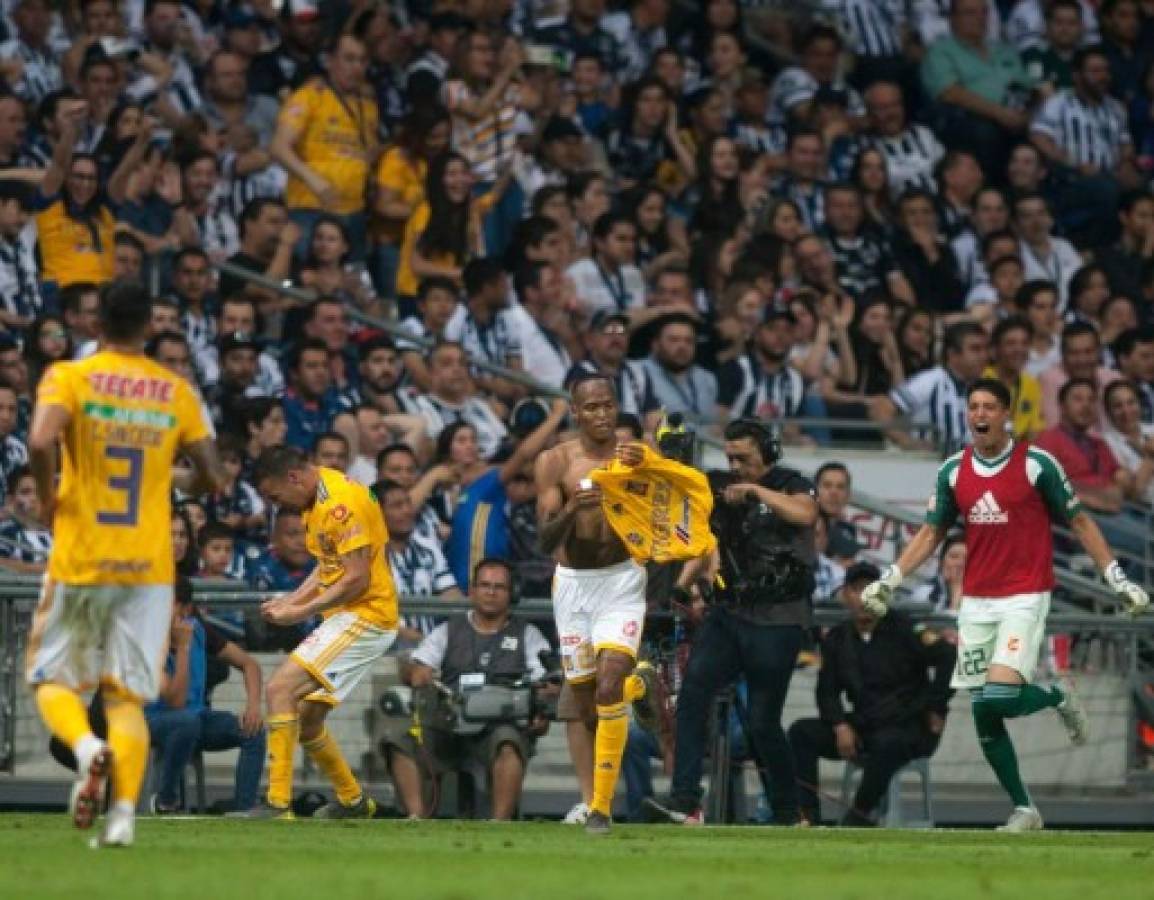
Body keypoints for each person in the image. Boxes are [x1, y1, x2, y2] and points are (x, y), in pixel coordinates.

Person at [861, 377, 1149, 831]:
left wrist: (1117, 578)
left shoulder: (1037, 465)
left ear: (1005, 415)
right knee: (984, 710)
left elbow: (1080, 521)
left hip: (1025, 593)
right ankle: (1024, 809)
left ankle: (1056, 694)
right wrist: (891, 577)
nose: (979, 414)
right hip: (977, 600)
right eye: (973, 406)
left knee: (999, 696)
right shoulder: (954, 470)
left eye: (988, 407)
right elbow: (932, 532)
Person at [24, 280, 223, 847]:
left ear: (96, 324)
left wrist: (45, 496)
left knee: (52, 680)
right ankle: (123, 818)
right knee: (127, 698)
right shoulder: (174, 390)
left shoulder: (69, 376)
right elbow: (211, 474)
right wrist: (174, 475)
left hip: (83, 556)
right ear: (149, 329)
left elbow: (40, 441)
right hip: (149, 568)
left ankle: (88, 750)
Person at [534, 374, 665, 833]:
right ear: (576, 412)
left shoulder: (636, 457)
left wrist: (654, 465)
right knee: (587, 697)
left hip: (622, 579)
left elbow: (671, 505)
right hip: (573, 585)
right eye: (591, 407)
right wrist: (572, 509)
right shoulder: (554, 462)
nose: (602, 415)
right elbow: (543, 538)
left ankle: (601, 809)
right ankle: (639, 687)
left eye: (608, 405)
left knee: (608, 683)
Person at [246, 445, 400, 819]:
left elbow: (357, 577)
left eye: (275, 495)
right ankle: (353, 801)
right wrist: (291, 599)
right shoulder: (317, 499)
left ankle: (277, 802)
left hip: (366, 614)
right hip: (350, 615)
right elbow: (329, 566)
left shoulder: (341, 504)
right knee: (308, 718)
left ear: (294, 477)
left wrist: (299, 611)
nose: (275, 504)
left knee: (279, 689)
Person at [789, 561, 956, 826]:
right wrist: (840, 724)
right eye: (856, 589)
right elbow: (827, 691)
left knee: (888, 744)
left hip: (909, 725)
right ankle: (808, 815)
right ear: (846, 595)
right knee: (801, 733)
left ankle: (859, 815)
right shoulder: (837, 639)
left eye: (871, 589)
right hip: (864, 724)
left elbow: (949, 656)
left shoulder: (905, 629)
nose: (863, 596)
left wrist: (937, 706)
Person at [384, 558, 552, 819]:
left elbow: (546, 682)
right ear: (472, 591)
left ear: (512, 594)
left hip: (498, 725)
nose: (491, 592)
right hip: (448, 722)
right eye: (484, 585)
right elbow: (414, 666)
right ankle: (415, 818)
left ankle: (501, 823)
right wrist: (414, 672)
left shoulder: (528, 635)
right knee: (398, 737)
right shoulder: (447, 631)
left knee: (508, 742)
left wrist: (541, 709)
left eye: (499, 587)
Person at [145, 577, 266, 815]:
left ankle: (245, 810)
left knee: (253, 732)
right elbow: (174, 700)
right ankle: (166, 800)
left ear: (185, 609)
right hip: (152, 719)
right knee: (185, 722)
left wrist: (253, 707)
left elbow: (250, 665)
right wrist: (182, 648)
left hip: (196, 718)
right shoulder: (147, 639)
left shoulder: (199, 630)